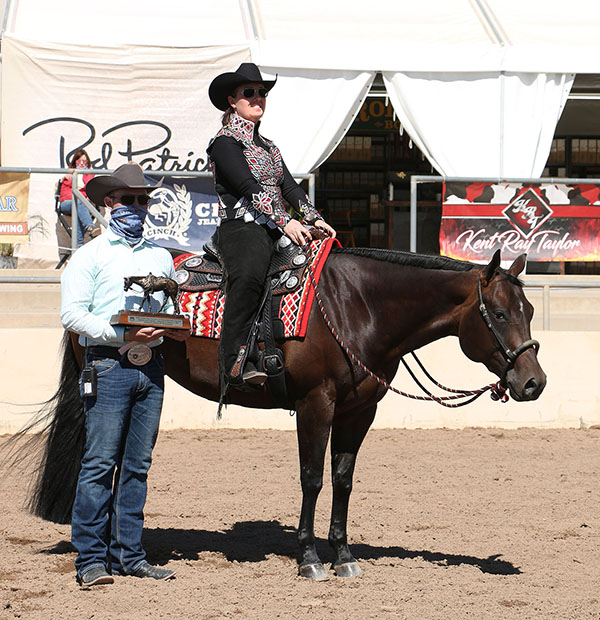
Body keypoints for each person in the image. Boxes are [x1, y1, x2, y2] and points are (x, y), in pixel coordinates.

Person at [61, 163, 186, 587]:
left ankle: (129, 554)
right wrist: (120, 334)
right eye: (129, 199)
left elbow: (166, 310)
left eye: (142, 199)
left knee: (137, 464)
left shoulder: (160, 257)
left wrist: (168, 328)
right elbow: (72, 314)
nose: (137, 206)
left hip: (150, 365)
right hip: (107, 364)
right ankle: (90, 559)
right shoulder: (89, 256)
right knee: (99, 462)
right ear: (110, 202)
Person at [206, 62, 336, 395]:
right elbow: (248, 187)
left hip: (276, 227)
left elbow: (290, 186)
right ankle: (234, 362)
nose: (257, 97)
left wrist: (313, 217)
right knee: (249, 276)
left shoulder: (269, 147)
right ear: (232, 101)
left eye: (261, 92)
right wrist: (285, 220)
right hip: (242, 228)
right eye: (248, 92)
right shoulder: (224, 142)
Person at [58, 148, 99, 246]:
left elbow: (92, 188)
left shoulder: (90, 174)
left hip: (80, 204)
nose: (81, 163)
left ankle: (78, 246)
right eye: (79, 161)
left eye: (84, 161)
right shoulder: (70, 172)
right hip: (66, 202)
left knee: (77, 209)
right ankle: (90, 227)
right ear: (75, 161)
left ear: (87, 162)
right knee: (79, 201)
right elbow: (57, 187)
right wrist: (62, 179)